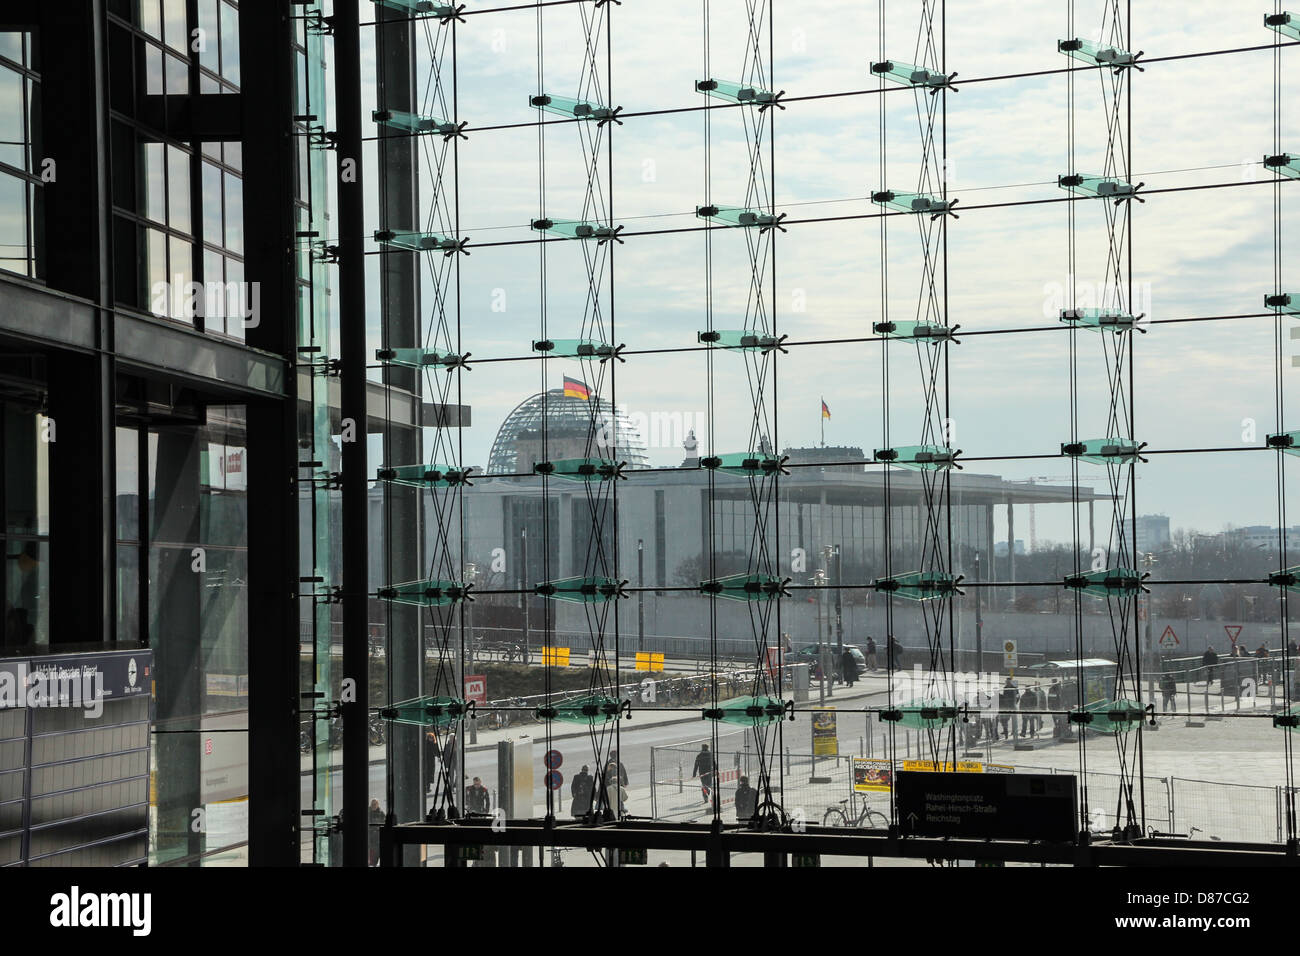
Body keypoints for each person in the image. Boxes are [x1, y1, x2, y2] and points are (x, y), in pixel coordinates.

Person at [368, 799, 385, 867]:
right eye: (373, 804)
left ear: (378, 805)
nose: (374, 806)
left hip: (377, 839)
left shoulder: (381, 814)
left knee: (375, 855)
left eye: (375, 804)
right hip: (371, 839)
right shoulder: (368, 813)